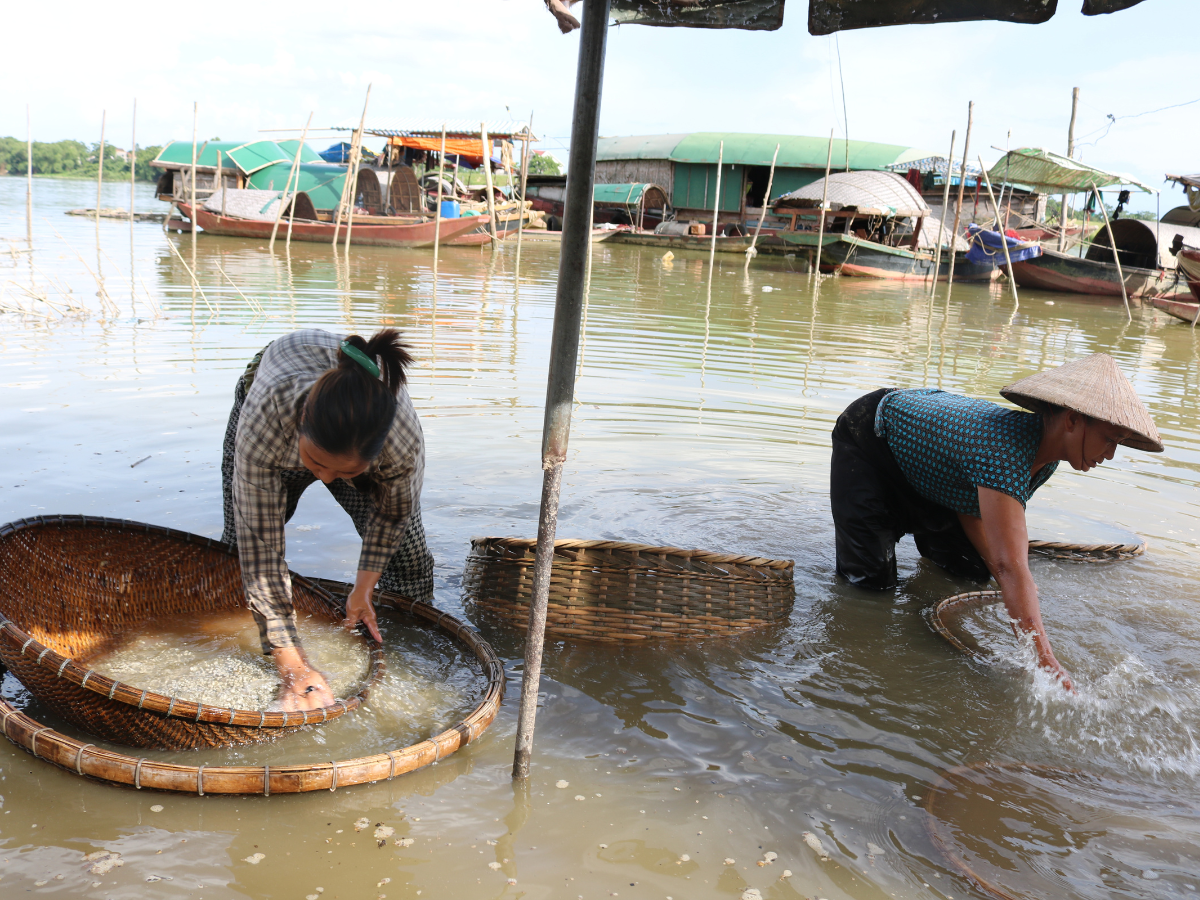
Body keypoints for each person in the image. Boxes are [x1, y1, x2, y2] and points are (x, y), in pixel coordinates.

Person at [829, 353, 1163, 691]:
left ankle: (921, 610)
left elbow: (975, 510)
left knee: (969, 571)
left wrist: (1015, 584)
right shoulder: (1003, 453)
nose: (1109, 455)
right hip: (871, 439)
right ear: (1073, 421)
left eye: (1117, 444)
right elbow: (1010, 566)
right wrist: (1046, 664)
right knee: (870, 588)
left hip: (934, 470)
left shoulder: (1046, 459)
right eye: (1109, 439)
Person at [221, 328, 433, 711]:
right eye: (316, 465)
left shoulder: (401, 442)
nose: (325, 480)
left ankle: (403, 646)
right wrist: (293, 669)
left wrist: (363, 589)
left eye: (344, 473)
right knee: (237, 547)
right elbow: (260, 550)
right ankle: (255, 636)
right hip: (271, 404)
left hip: (345, 440)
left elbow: (392, 515)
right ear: (301, 420)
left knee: (408, 559)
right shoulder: (266, 418)